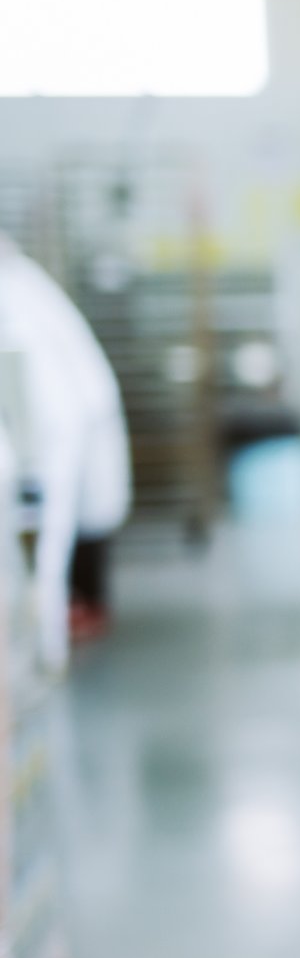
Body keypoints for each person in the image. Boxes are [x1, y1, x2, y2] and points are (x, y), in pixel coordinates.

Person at [0, 235, 132, 673]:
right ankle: (55, 625)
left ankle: (55, 631)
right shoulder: (24, 285)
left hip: (58, 418)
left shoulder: (17, 292)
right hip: (59, 415)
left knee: (61, 530)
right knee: (68, 523)